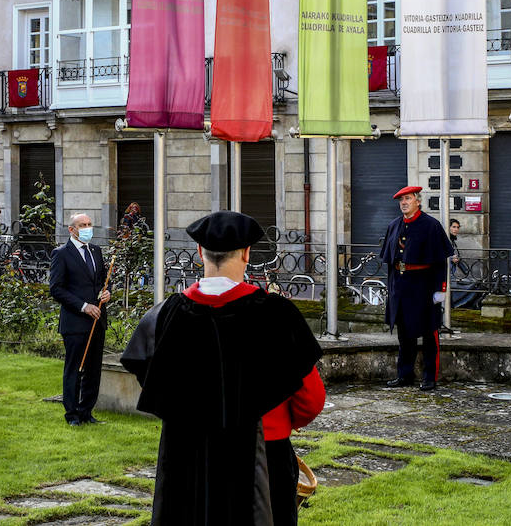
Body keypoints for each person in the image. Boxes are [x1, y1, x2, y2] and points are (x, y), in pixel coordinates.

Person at [121, 211, 323, 525]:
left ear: (201, 252)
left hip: (187, 453)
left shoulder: (166, 315)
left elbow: (148, 377)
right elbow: (310, 398)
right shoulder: (276, 315)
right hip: (263, 451)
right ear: (246, 253)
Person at [380, 185, 451, 391]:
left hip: (425, 286)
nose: (404, 203)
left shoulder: (431, 226)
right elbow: (391, 262)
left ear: (418, 201)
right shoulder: (394, 225)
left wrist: (440, 292)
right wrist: (392, 290)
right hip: (401, 288)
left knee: (429, 333)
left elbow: (440, 263)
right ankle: (405, 374)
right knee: (404, 334)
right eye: (401, 200)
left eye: (408, 199)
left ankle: (429, 377)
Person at [49, 212, 110, 426]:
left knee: (93, 369)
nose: (87, 228)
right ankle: (72, 414)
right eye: (82, 225)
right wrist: (84, 306)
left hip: (97, 320)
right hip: (75, 321)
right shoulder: (62, 253)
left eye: (89, 224)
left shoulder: (95, 251)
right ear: (72, 230)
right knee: (75, 367)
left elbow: (102, 280)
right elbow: (56, 289)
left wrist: (106, 293)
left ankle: (87, 411)